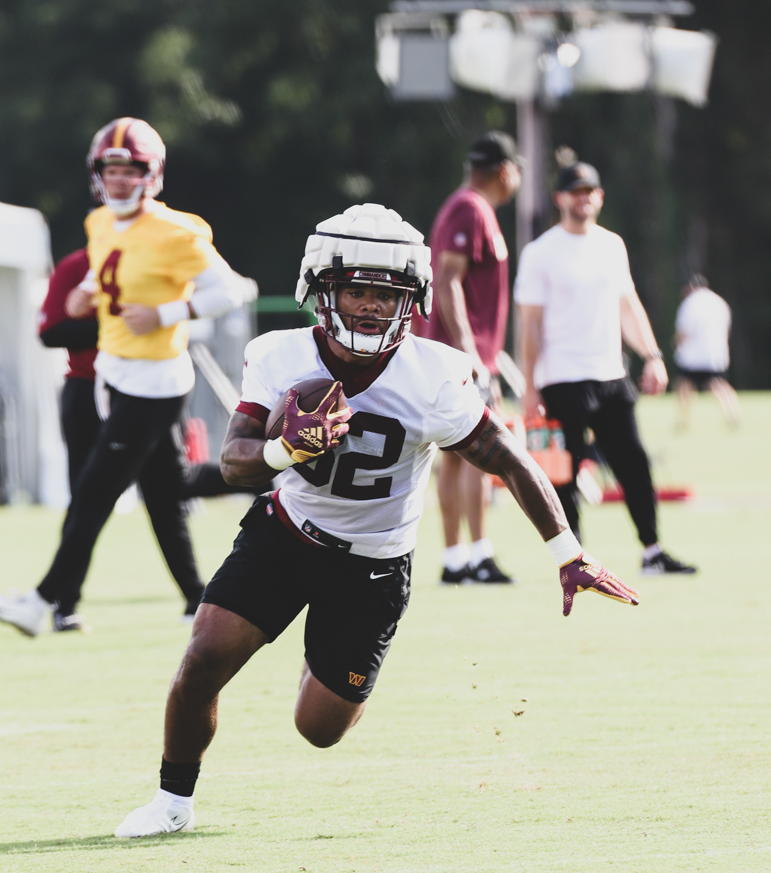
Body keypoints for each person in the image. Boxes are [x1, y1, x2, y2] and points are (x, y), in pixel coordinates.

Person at [113, 202, 639, 838]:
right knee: (203, 658)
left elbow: (507, 457)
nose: (370, 306)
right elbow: (233, 462)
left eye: (386, 295)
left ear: (410, 301)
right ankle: (172, 802)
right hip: (287, 535)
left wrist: (567, 552)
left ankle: (325, 659)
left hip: (373, 565)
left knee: (318, 729)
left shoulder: (433, 374)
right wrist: (285, 449)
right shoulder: (279, 355)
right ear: (322, 291)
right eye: (357, 290)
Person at [0, 117, 256, 636]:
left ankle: (41, 602)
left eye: (131, 171)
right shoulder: (102, 222)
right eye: (112, 170)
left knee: (93, 492)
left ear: (152, 175)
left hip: (154, 381)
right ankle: (264, 488)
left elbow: (231, 290)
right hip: (114, 374)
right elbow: (108, 267)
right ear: (97, 173)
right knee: (168, 488)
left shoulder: (175, 230)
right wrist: (87, 291)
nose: (121, 180)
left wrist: (167, 313)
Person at [36, 244, 255, 631]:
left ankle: (195, 595)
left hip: (151, 389)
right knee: (87, 495)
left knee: (167, 489)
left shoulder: (159, 255)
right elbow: (52, 330)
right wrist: (116, 325)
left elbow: (216, 295)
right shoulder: (78, 266)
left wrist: (160, 317)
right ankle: (63, 603)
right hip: (89, 387)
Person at [514, 161, 698, 577]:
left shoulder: (612, 244)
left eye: (590, 191)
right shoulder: (541, 252)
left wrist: (652, 355)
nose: (583, 198)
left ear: (599, 196)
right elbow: (530, 325)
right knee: (563, 476)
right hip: (561, 378)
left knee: (634, 465)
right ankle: (572, 561)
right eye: (575, 191)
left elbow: (627, 306)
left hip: (610, 375)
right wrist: (530, 386)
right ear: (560, 198)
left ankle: (652, 552)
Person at [414, 132, 521, 585]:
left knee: (456, 456)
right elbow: (448, 279)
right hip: (461, 355)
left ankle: (456, 559)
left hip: (458, 353)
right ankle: (477, 556)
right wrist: (470, 352)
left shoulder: (468, 207)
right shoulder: (470, 209)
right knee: (481, 450)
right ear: (506, 171)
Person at [673, 275, 739, 428]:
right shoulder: (719, 302)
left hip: (692, 356)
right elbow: (727, 330)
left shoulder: (689, 304)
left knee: (684, 385)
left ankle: (682, 420)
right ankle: (733, 414)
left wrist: (676, 344)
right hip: (716, 354)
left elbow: (683, 332)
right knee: (719, 385)